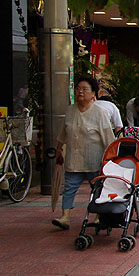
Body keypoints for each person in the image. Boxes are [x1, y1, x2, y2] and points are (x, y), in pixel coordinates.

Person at [52, 75, 115, 230]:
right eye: (78, 88)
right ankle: (65, 217)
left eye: (85, 89)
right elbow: (63, 132)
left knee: (98, 189)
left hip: (94, 160)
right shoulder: (70, 110)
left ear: (93, 93)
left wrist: (112, 159)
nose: (80, 92)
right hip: (74, 159)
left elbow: (108, 137)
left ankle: (99, 217)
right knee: (69, 187)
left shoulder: (100, 113)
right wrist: (59, 149)